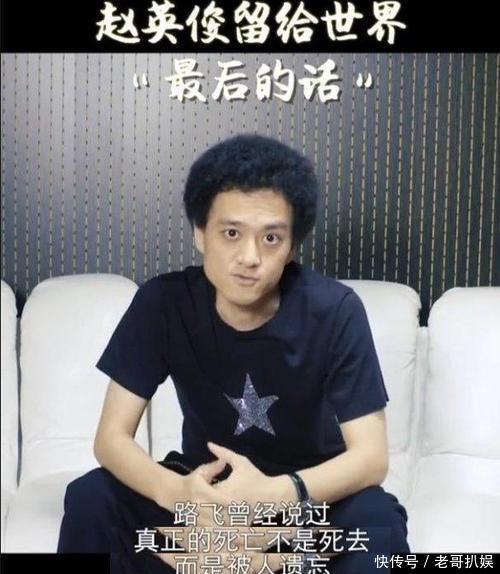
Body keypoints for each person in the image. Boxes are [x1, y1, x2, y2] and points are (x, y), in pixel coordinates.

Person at [57, 134, 410, 573]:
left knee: (378, 525)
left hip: (301, 497)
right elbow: (111, 439)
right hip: (202, 497)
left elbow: (371, 458)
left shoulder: (335, 310)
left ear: (292, 247)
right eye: (231, 233)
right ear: (200, 233)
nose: (249, 257)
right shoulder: (164, 303)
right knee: (91, 498)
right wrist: (178, 493)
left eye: (271, 238)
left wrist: (278, 494)